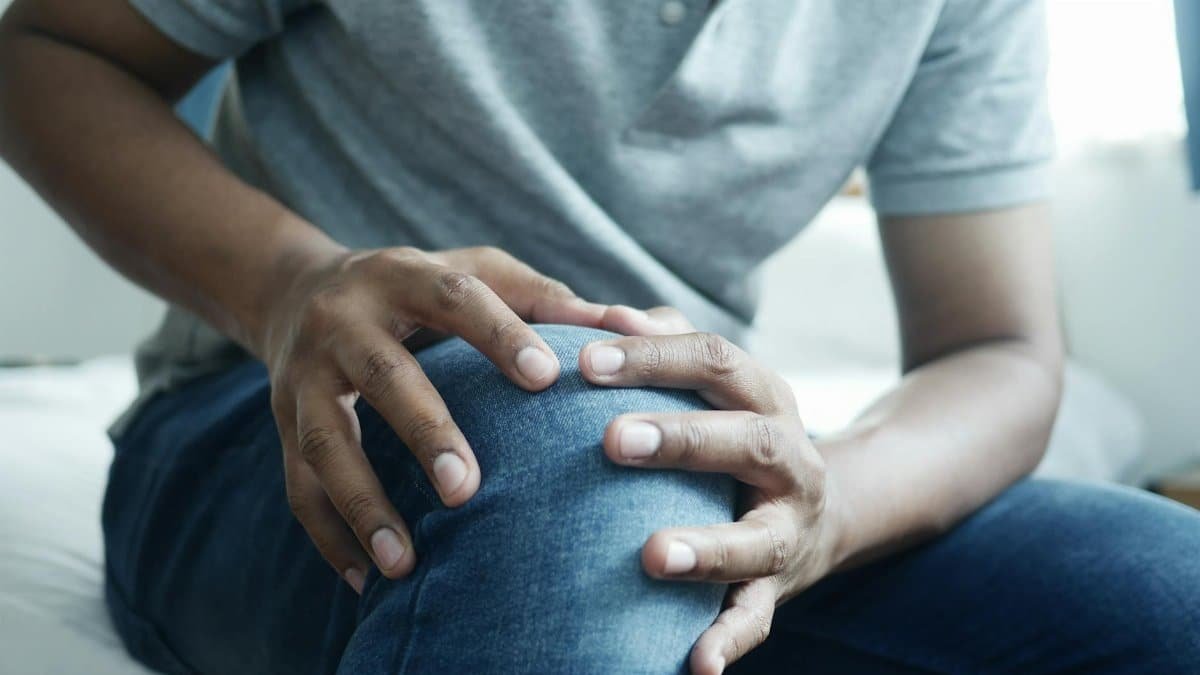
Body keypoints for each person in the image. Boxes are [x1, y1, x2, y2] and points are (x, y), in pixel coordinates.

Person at [1, 1, 1197, 673]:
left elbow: (997, 348)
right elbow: (41, 54)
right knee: (578, 439)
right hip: (286, 440)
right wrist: (290, 285)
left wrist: (820, 514)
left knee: (1166, 595)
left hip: (686, 482)